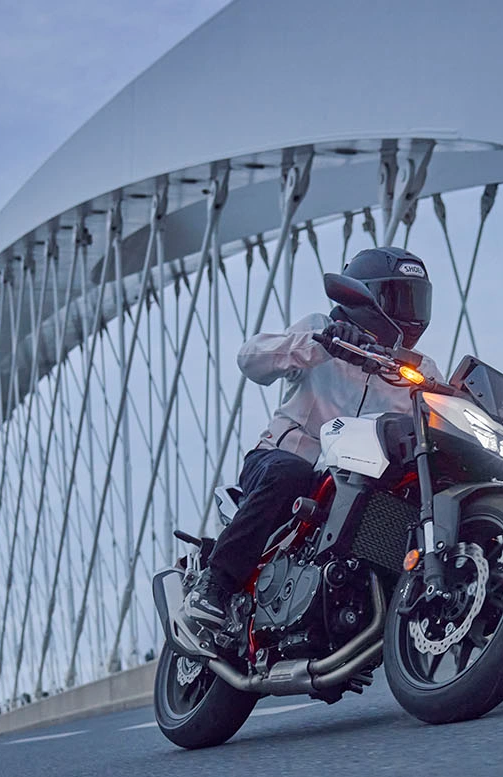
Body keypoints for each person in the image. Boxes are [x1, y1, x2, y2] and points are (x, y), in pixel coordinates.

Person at [182, 246, 443, 644]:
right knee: (292, 472)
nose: (410, 311)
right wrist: (321, 344)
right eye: (399, 297)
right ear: (365, 297)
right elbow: (250, 358)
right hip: (283, 460)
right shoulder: (322, 328)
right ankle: (214, 585)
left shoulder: (419, 368)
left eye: (415, 299)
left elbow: (439, 411)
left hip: (358, 479)